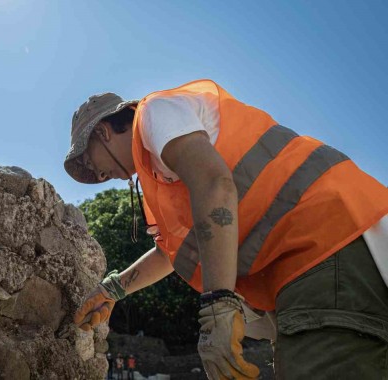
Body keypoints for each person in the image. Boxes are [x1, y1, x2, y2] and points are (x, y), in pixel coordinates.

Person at [66, 80, 388, 379]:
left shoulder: (154, 114)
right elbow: (172, 254)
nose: (98, 175)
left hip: (324, 241)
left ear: (103, 132)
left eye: (92, 164)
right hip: (323, 253)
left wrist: (218, 304)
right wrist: (112, 290)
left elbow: (215, 184)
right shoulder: (162, 168)